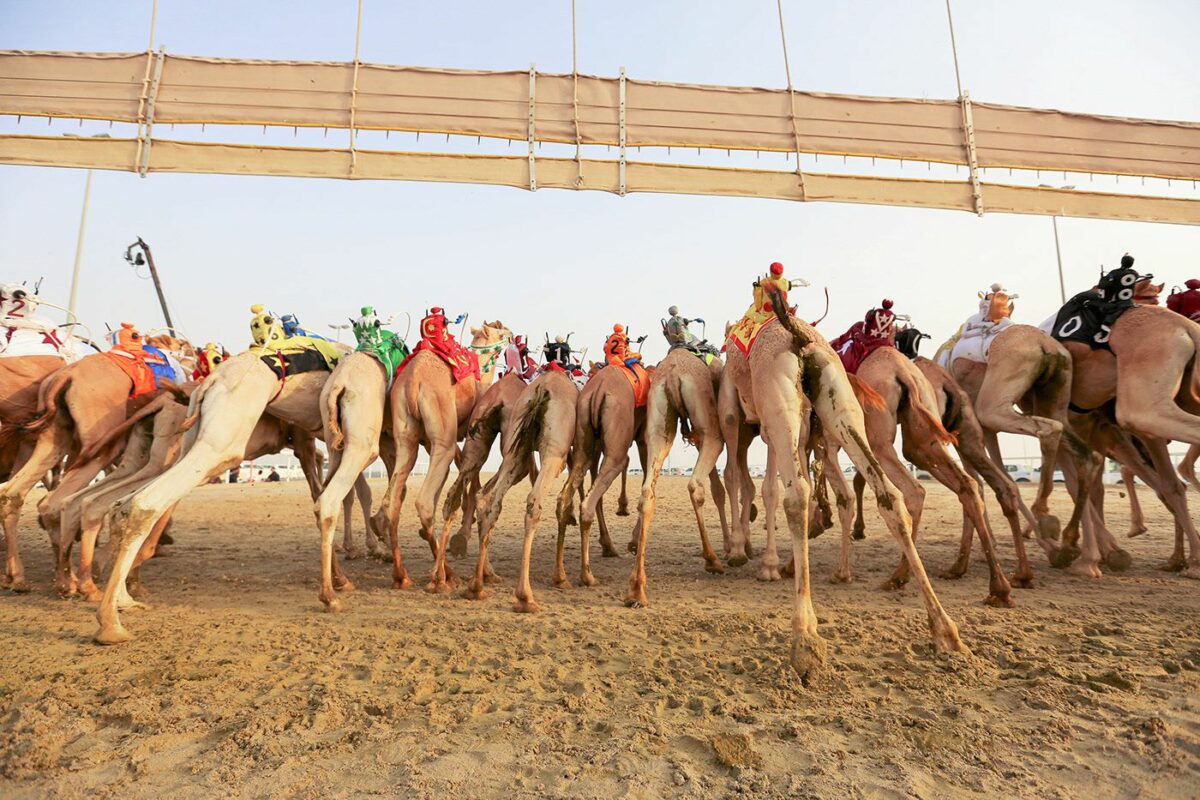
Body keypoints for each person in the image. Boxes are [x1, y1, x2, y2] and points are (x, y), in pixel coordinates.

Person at [829, 299, 898, 374]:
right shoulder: (892, 316)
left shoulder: (874, 313)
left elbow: (866, 328)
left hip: (870, 339)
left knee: (856, 343)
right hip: (884, 341)